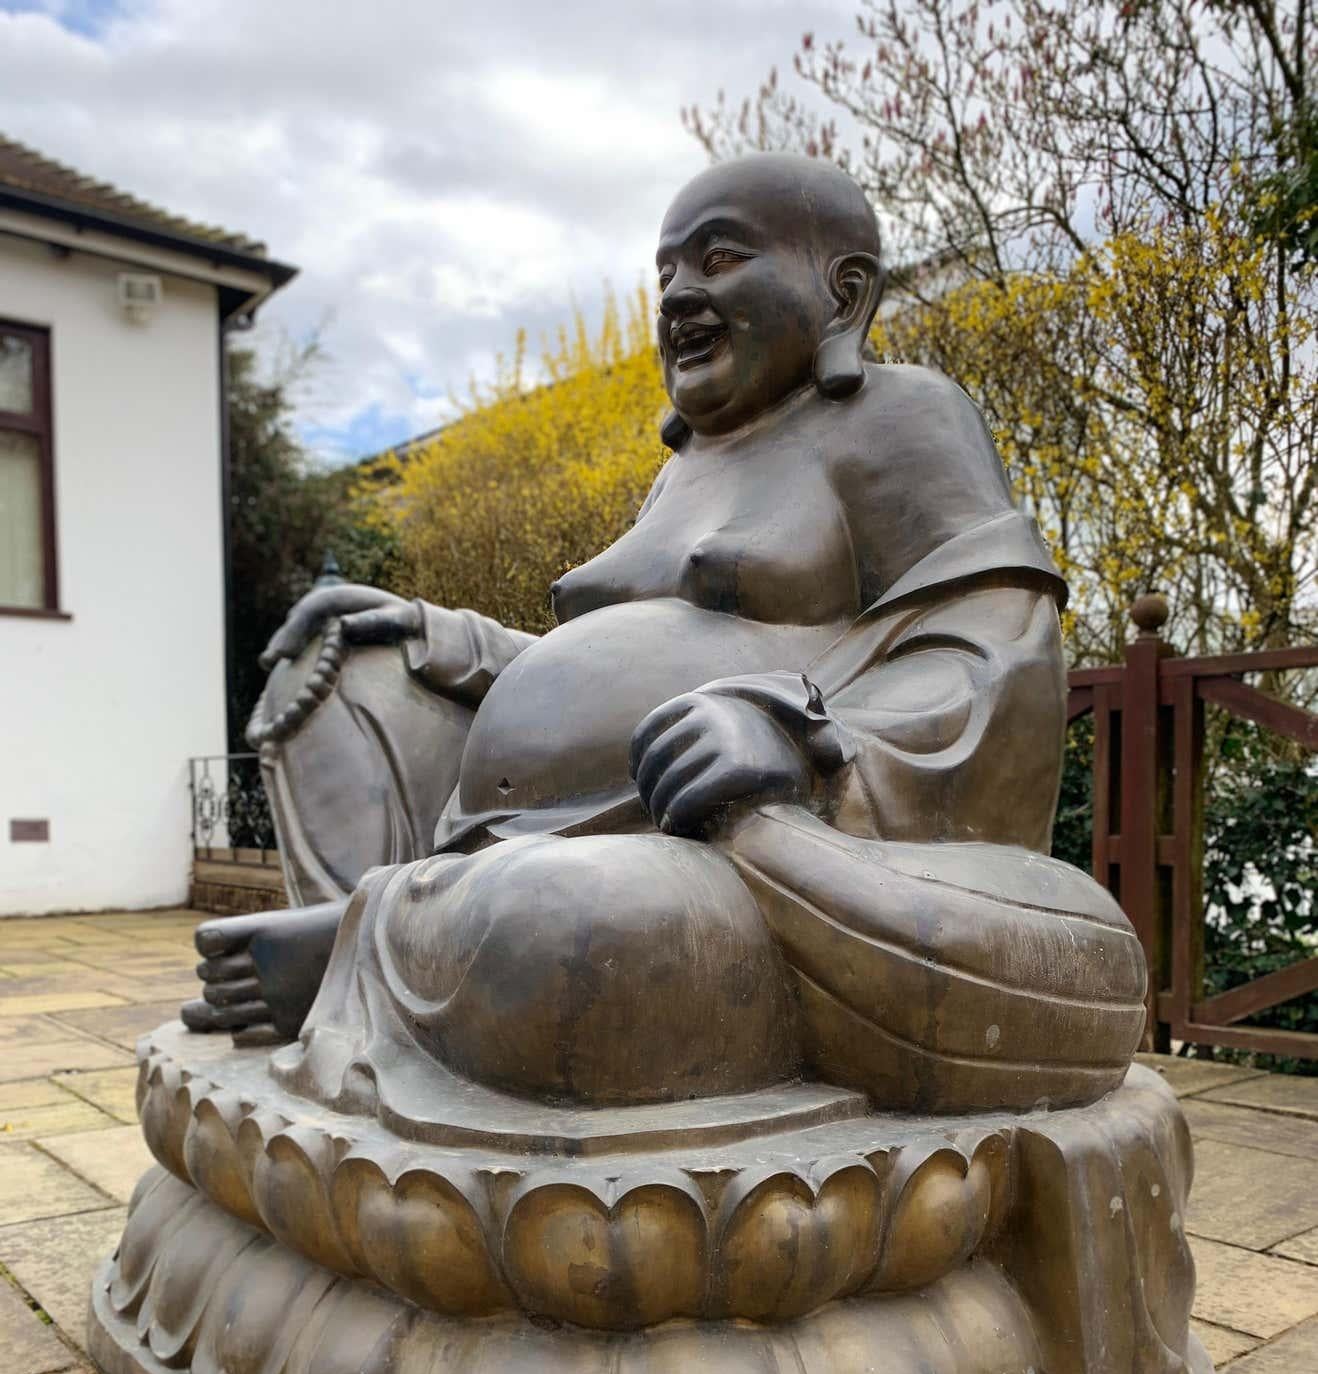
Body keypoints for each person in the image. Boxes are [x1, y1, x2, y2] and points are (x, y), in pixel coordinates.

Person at [187, 152, 1145, 1116]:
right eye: (665, 274)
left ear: (845, 294)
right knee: (359, 667)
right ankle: (402, 931)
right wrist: (434, 633)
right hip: (524, 832)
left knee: (572, 927)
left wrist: (800, 737)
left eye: (719, 257)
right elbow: (615, 664)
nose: (681, 295)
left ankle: (374, 942)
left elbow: (999, 657)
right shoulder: (679, 474)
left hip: (716, 838)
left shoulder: (898, 418)